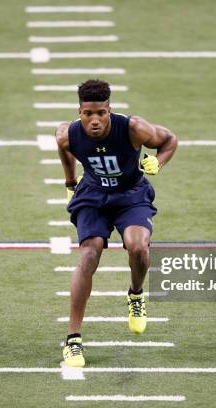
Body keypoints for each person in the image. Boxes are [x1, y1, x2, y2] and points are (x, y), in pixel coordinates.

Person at [55, 79, 178, 367]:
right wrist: (70, 182)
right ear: (80, 112)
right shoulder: (68, 135)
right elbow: (63, 148)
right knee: (89, 253)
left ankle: (136, 294)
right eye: (88, 114)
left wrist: (158, 162)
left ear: (110, 110)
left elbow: (170, 140)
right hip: (94, 195)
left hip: (131, 195)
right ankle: (73, 339)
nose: (94, 120)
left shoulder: (134, 128)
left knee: (138, 248)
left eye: (101, 113)